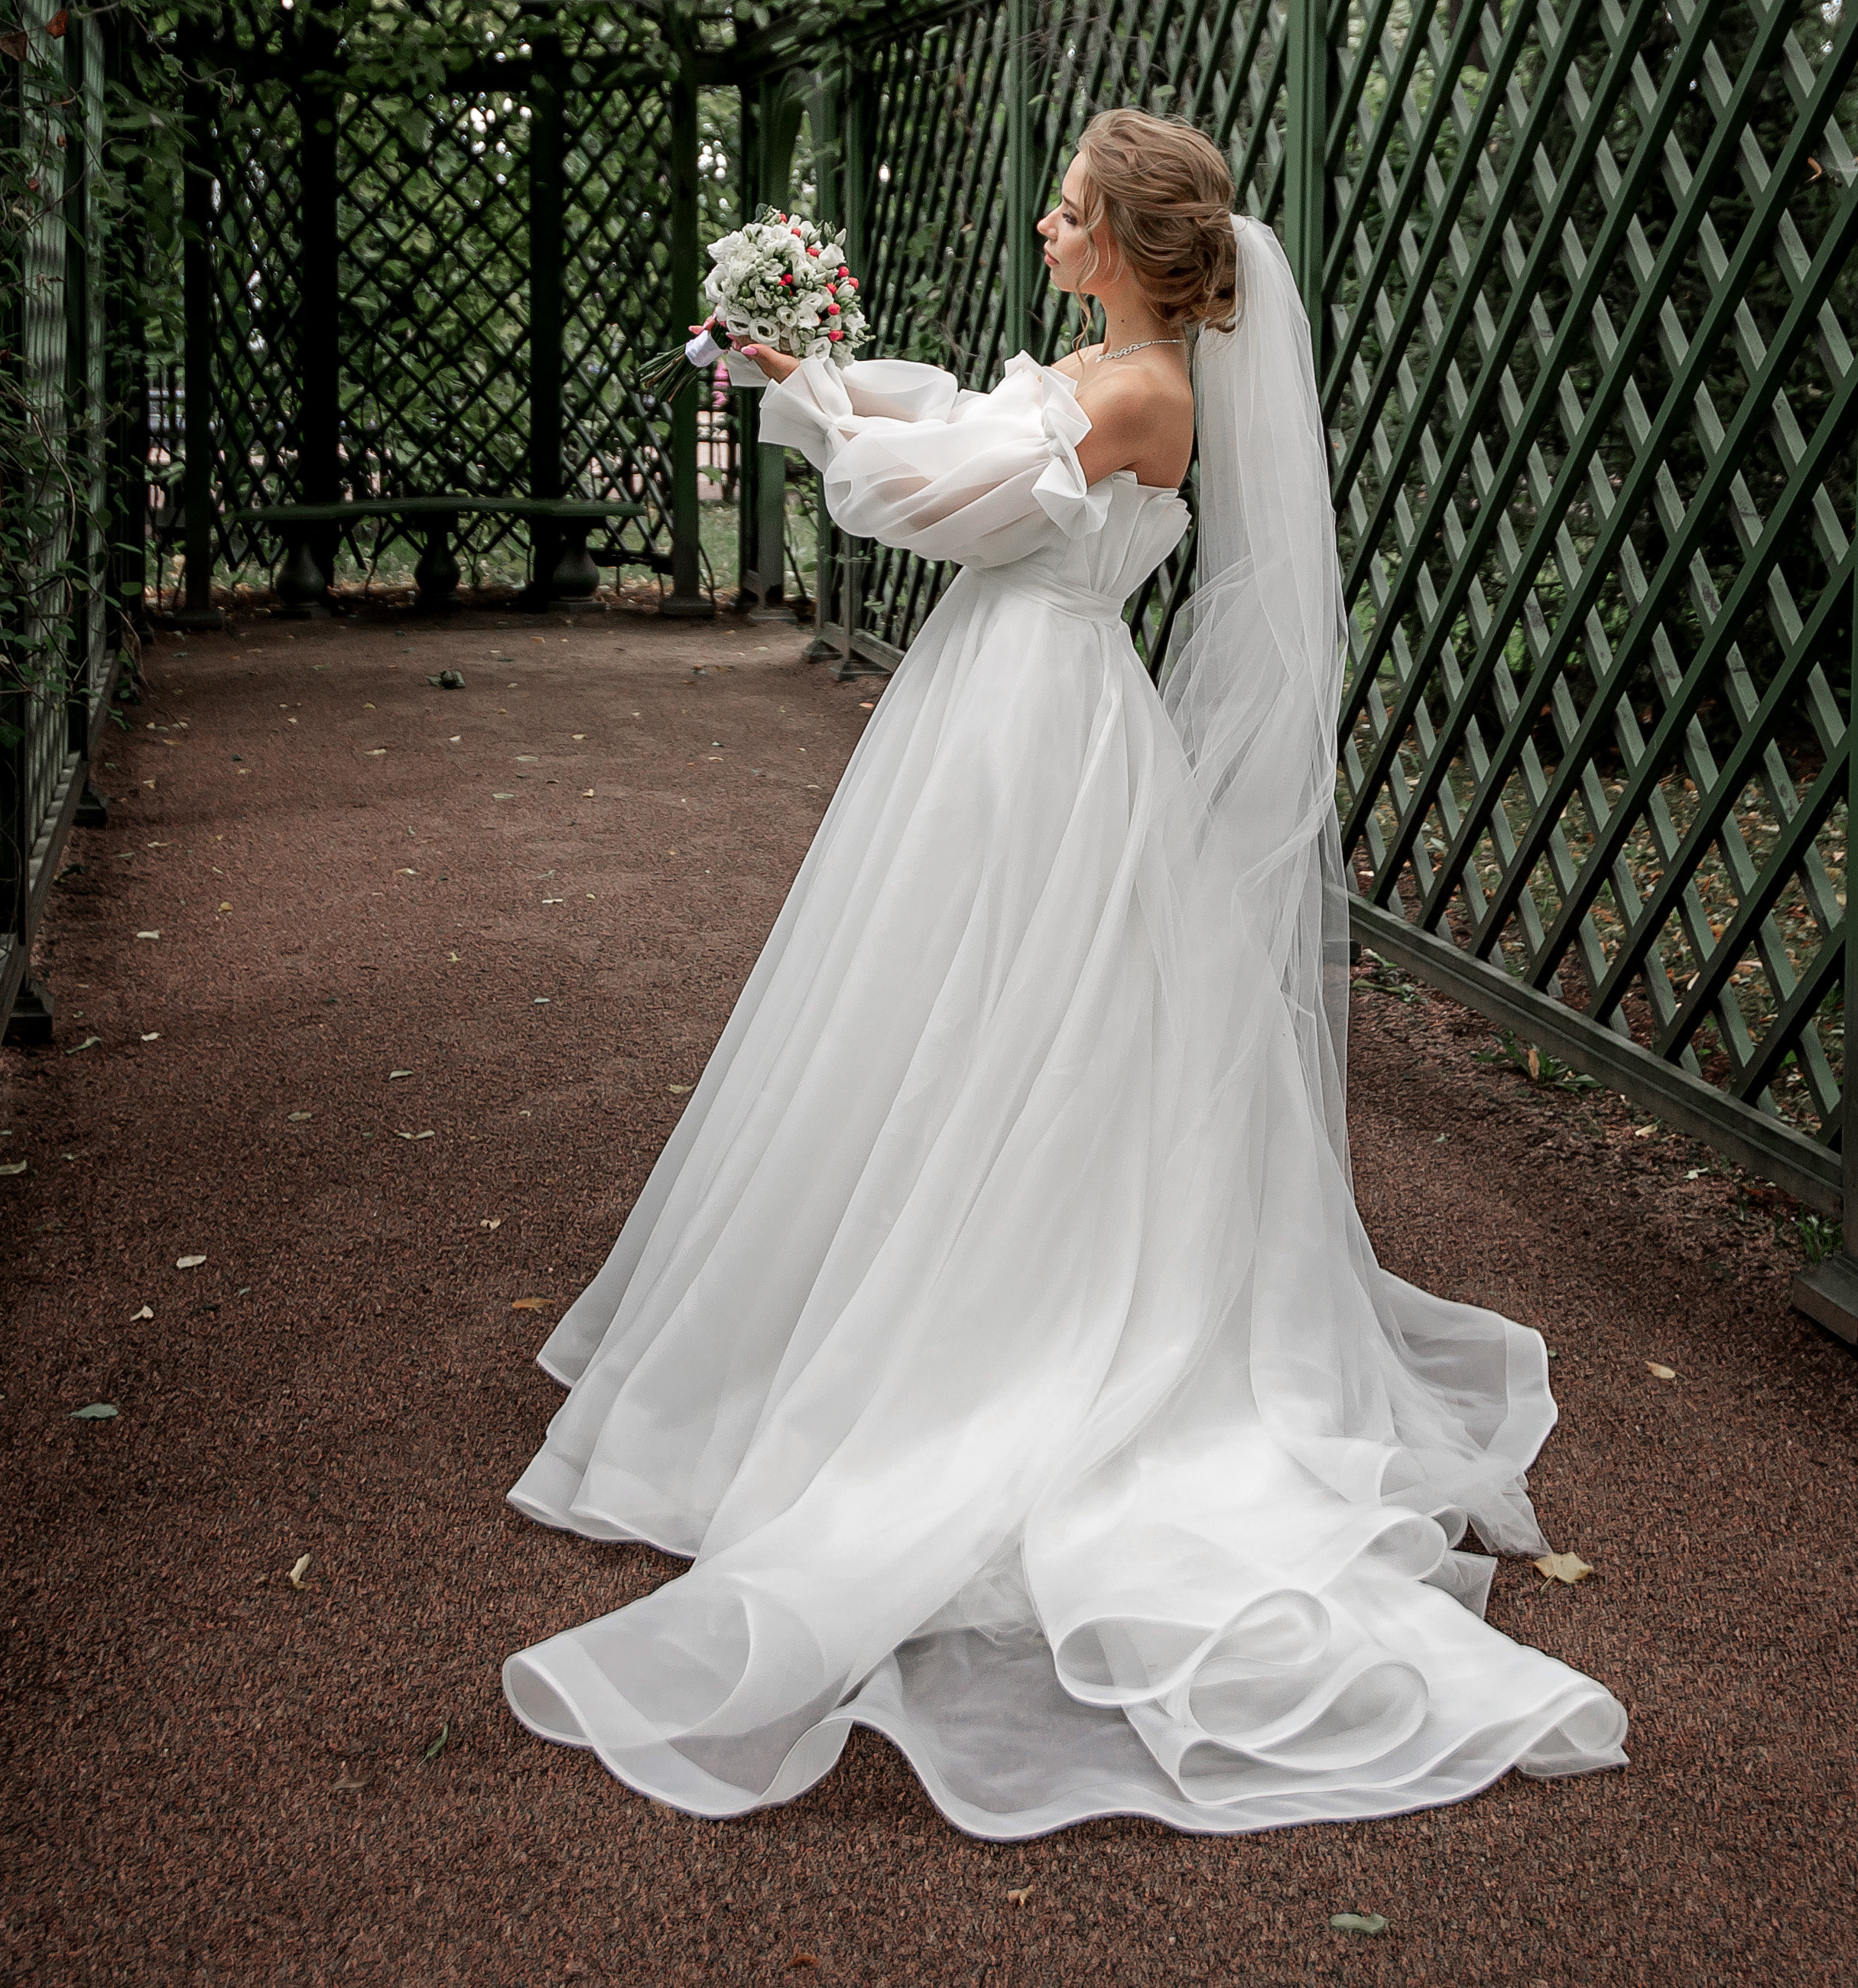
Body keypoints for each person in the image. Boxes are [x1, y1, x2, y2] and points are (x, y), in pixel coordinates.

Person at [500, 107, 1628, 1835]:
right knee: (945, 1020)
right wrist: (826, 364)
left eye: (1071, 209)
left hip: (1037, 721)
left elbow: (916, 502)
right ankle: (883, 1302)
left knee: (1010, 1022)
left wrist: (798, 394)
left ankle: (982, 1345)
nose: (1044, 222)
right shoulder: (1099, 370)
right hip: (997, 713)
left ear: (1129, 244)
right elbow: (955, 415)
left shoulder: (1139, 396)